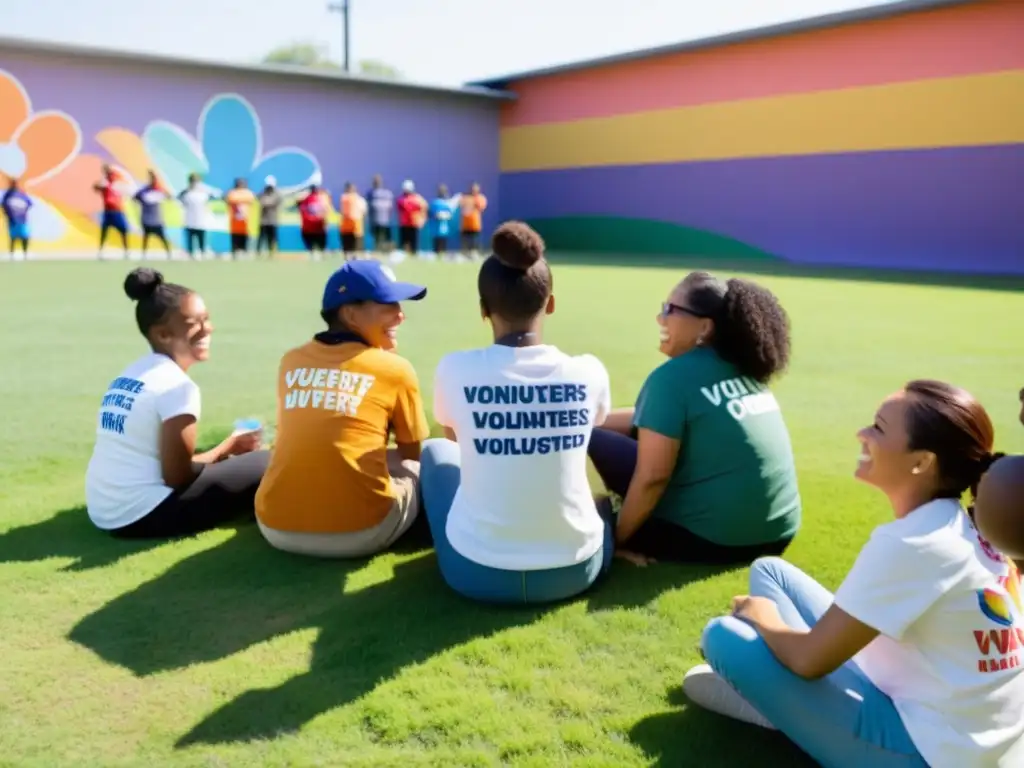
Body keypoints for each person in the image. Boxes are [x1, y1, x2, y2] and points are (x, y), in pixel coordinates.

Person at [687, 380, 1023, 768]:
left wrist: (761, 619)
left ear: (921, 462)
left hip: (931, 756)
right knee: (771, 573)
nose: (861, 434)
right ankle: (790, 707)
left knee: (725, 638)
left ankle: (783, 710)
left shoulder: (915, 543)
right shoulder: (967, 524)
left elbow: (810, 660)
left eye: (878, 428)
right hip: (979, 739)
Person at [420, 222, 615, 605]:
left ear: (483, 310)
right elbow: (597, 426)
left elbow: (455, 441)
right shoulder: (588, 370)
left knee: (435, 453)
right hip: (576, 571)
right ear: (551, 303)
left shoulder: (455, 369)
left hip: (475, 572)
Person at [588, 271, 800, 565]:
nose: (660, 319)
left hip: (713, 541)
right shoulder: (742, 368)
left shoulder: (672, 378)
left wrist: (616, 544)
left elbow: (653, 478)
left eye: (670, 310)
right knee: (589, 430)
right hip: (778, 535)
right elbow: (650, 421)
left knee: (587, 441)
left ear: (705, 327)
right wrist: (582, 418)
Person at [255, 260, 432, 558]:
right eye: (388, 304)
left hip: (274, 528)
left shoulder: (291, 361)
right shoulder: (395, 369)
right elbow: (412, 455)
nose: (400, 315)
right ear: (350, 314)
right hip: (362, 533)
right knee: (431, 458)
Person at [85, 268, 270, 538]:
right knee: (270, 462)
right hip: (144, 515)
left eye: (207, 319)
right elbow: (179, 477)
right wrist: (228, 447)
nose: (208, 329)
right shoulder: (178, 387)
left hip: (104, 511)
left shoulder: (131, 372)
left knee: (238, 464)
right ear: (162, 335)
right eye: (195, 323)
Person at [94, 165, 130, 259]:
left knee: (123, 231)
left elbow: (124, 187)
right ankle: (100, 251)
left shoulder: (117, 181)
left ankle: (126, 251)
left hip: (118, 211)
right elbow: (96, 187)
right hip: (108, 211)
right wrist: (103, 182)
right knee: (104, 231)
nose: (108, 173)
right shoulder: (104, 183)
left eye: (109, 171)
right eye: (106, 171)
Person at [133, 171, 171, 259]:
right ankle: (144, 254)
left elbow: (169, 196)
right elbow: (135, 198)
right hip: (146, 218)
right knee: (146, 237)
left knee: (162, 237)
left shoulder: (159, 190)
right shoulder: (144, 191)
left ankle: (168, 253)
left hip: (157, 219)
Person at [178, 173, 214, 259]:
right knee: (190, 240)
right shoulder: (186, 194)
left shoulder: (204, 193)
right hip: (189, 221)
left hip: (201, 221)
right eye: (193, 181)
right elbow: (180, 200)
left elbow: (212, 197)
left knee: (201, 239)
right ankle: (190, 254)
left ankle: (203, 253)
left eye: (196, 181)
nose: (195, 183)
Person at [297, 179, 331, 259]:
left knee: (313, 248)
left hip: (312, 228)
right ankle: (319, 254)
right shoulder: (319, 198)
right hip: (315, 228)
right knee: (318, 248)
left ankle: (316, 254)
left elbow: (325, 212)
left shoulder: (316, 199)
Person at [224, 177, 256, 258]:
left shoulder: (248, 192)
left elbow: (250, 199)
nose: (240, 185)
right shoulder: (232, 192)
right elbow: (230, 199)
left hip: (245, 221)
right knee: (235, 238)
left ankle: (244, 252)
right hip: (234, 221)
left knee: (244, 238)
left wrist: (239, 199)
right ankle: (235, 252)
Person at [2, 177, 32, 259]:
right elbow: (4, 205)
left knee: (24, 236)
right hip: (13, 220)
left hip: (22, 219)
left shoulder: (21, 193)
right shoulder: (8, 194)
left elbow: (29, 203)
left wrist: (23, 211)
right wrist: (8, 214)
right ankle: (12, 254)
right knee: (13, 236)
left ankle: (25, 253)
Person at [429, 184, 461, 259]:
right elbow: (434, 214)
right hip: (436, 229)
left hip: (443, 229)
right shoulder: (435, 203)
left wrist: (445, 215)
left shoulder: (446, 203)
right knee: (436, 248)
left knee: (443, 247)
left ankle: (441, 257)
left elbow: (450, 214)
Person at [396, 180, 426, 255]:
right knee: (404, 241)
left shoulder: (417, 198)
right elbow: (400, 208)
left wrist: (422, 219)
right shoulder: (401, 199)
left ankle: (414, 253)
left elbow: (424, 208)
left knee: (413, 242)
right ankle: (404, 253)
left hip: (413, 223)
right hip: (404, 223)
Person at [366, 174, 394, 254]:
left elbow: (390, 206)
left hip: (385, 219)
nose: (376, 183)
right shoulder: (370, 193)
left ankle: (386, 251)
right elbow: (367, 205)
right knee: (376, 237)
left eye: (378, 181)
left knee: (385, 237)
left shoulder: (386, 193)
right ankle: (378, 250)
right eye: (375, 181)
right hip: (374, 220)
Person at [459, 182, 488, 259]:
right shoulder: (466, 198)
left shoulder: (480, 198)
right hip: (465, 224)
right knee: (465, 240)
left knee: (475, 240)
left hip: (475, 224)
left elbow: (482, 207)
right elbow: (461, 205)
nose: (473, 190)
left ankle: (475, 253)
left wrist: (474, 201)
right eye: (472, 189)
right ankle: (465, 254)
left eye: (475, 189)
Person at [340, 182, 367, 260]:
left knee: (349, 247)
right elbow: (364, 212)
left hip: (349, 225)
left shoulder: (344, 197)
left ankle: (350, 258)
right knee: (355, 248)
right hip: (355, 225)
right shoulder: (358, 199)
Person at [256, 176, 281, 258]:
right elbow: (261, 201)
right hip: (263, 220)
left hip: (273, 220)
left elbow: (271, 202)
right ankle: (258, 253)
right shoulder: (263, 193)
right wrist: (265, 201)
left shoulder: (277, 194)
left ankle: (272, 253)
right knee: (261, 237)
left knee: (272, 238)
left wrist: (265, 202)